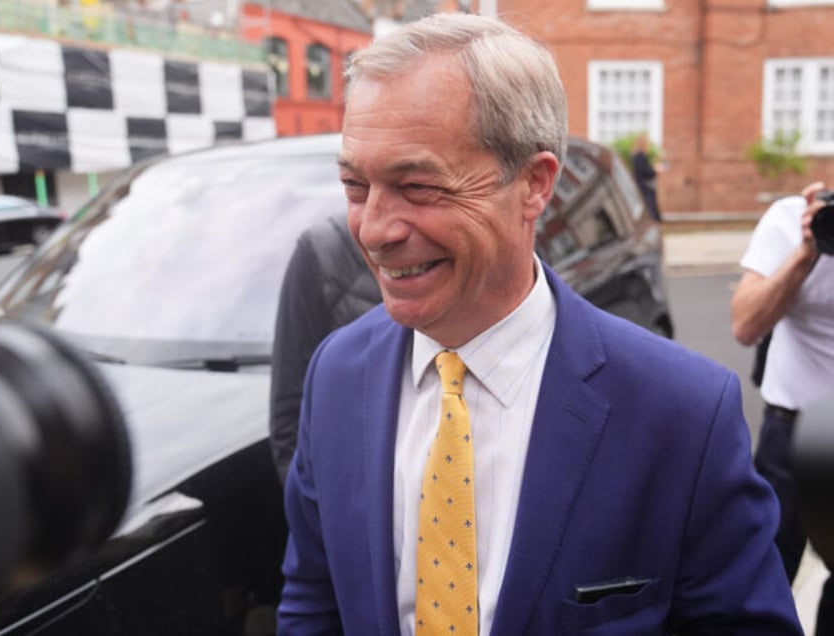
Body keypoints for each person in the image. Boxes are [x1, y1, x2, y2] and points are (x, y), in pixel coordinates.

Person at [278, 12, 801, 634]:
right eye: (355, 185)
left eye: (417, 187)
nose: (374, 229)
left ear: (533, 184)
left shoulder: (682, 412)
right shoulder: (337, 374)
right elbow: (314, 599)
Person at [731, 180, 834, 635]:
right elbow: (745, 324)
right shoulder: (789, 221)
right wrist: (805, 253)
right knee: (758, 583)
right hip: (790, 436)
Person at [269, 213, 380, 484]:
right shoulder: (323, 253)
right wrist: (326, 519)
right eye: (355, 185)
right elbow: (291, 418)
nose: (382, 233)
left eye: (415, 186)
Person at [631, 132, 663, 222]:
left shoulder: (639, 156)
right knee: (648, 206)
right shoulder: (639, 156)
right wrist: (655, 170)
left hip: (643, 185)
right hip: (644, 186)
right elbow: (643, 171)